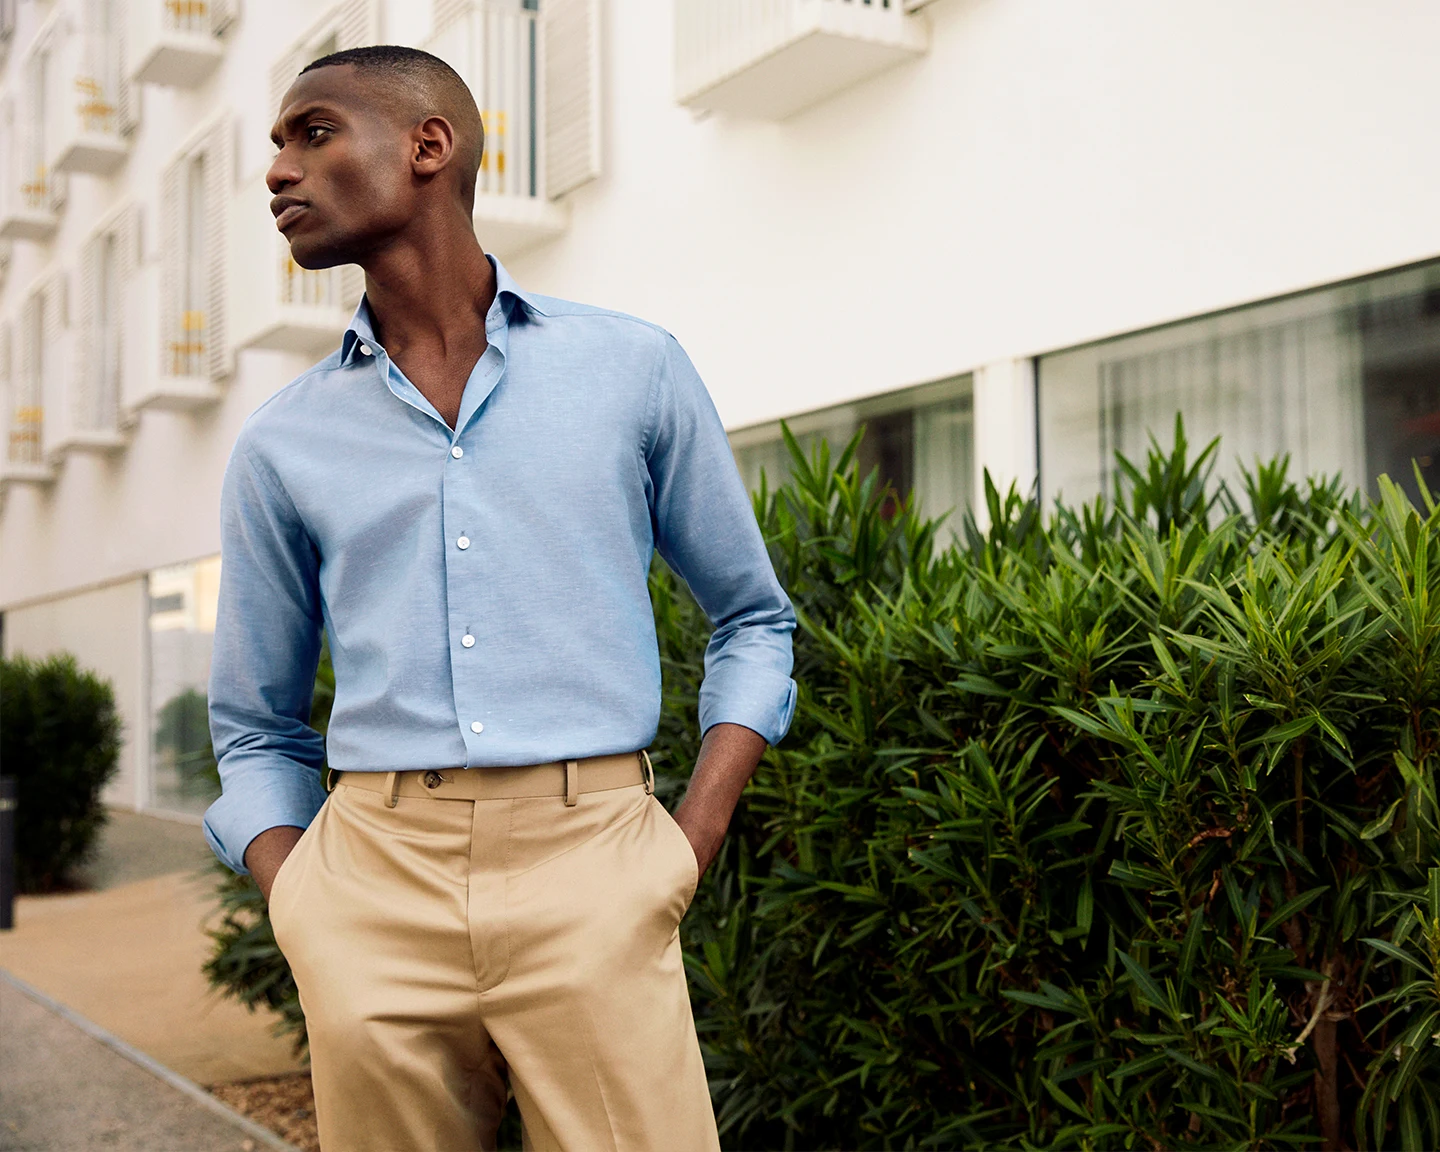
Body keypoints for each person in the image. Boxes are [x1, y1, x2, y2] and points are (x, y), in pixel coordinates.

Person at [202, 45, 796, 1151]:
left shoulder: (632, 371)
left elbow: (754, 619)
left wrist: (684, 844)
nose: (277, 170)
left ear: (432, 146)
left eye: (312, 132)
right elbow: (253, 720)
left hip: (597, 867)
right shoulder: (285, 440)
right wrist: (305, 902)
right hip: (369, 883)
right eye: (276, 144)